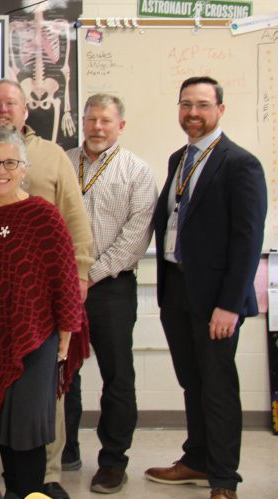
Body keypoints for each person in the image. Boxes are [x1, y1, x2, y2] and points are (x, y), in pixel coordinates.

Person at [0, 79, 93, 499]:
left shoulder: (44, 215)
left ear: (24, 168)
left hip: (34, 334)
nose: (1, 171)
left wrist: (65, 337)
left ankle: (34, 489)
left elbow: (63, 277)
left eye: (10, 164)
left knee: (27, 425)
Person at [145, 76, 266, 499]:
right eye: (185, 104)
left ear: (220, 109)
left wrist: (229, 306)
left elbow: (247, 240)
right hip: (177, 289)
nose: (192, 113)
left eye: (202, 105)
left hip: (217, 300)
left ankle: (224, 480)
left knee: (217, 388)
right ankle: (196, 458)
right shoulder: (180, 157)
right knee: (192, 382)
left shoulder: (240, 163)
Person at [61, 94, 156, 494]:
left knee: (117, 376)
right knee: (63, 370)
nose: (97, 127)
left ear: (121, 125)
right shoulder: (63, 161)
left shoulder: (137, 172)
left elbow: (134, 240)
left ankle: (113, 462)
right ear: (82, 122)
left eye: (105, 121)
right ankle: (65, 447)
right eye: (91, 119)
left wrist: (90, 275)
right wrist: (70, 278)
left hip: (111, 287)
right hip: (63, 286)